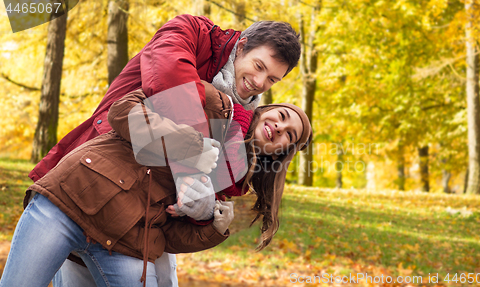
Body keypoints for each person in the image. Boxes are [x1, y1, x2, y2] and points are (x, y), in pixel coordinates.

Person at [30, 14, 301, 287]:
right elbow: (170, 81)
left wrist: (209, 219)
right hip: (94, 175)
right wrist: (190, 162)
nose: (259, 81)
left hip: (141, 215)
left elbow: (184, 210)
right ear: (241, 46)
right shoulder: (191, 32)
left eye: (272, 79)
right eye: (258, 66)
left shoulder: (239, 125)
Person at [0, 80, 313, 287]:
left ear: (281, 151)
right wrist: (190, 145)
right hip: (69, 202)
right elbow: (122, 110)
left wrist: (213, 229)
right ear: (266, 109)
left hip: (123, 243)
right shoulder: (214, 103)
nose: (280, 127)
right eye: (283, 115)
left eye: (289, 136)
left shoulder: (233, 183)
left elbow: (169, 235)